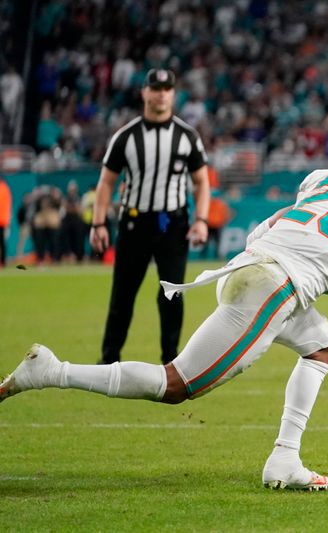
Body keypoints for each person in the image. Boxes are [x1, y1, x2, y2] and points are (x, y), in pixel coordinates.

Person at [0, 144, 328, 491]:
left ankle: (285, 458)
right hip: (275, 285)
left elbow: (280, 219)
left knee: (323, 342)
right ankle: (50, 372)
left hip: (255, 268)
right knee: (177, 384)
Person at [89, 69, 210, 365]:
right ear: (144, 93)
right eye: (156, 88)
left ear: (173, 93)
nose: (161, 94)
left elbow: (201, 181)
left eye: (167, 88)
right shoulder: (126, 137)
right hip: (135, 223)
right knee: (122, 296)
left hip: (172, 224)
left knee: (171, 294)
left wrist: (201, 219)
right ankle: (108, 361)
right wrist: (98, 222)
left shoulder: (187, 136)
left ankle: (172, 361)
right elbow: (106, 181)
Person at [0, 175, 10, 267]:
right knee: (2, 242)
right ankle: (3, 261)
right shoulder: (5, 188)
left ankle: (3, 261)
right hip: (3, 220)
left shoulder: (3, 188)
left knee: (2, 242)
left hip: (2, 220)